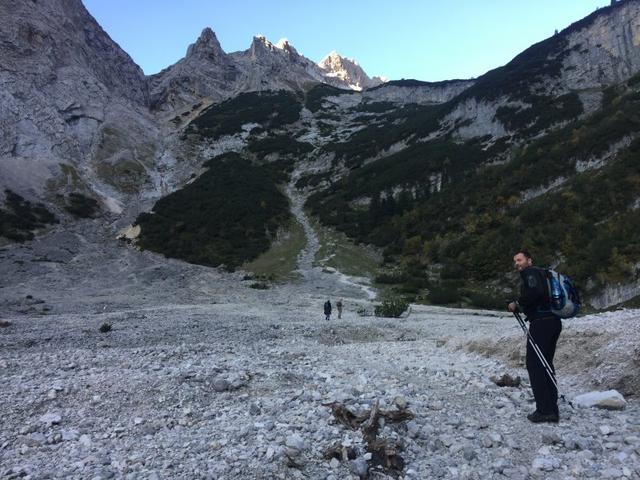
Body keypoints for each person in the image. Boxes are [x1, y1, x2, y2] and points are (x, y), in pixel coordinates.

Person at [508, 250, 562, 424]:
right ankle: (552, 409)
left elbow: (535, 292)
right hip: (553, 322)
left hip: (542, 324)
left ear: (529, 261)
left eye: (520, 260)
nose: (517, 263)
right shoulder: (542, 273)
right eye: (515, 261)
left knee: (534, 364)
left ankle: (545, 411)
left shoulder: (530, 273)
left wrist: (517, 303)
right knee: (546, 363)